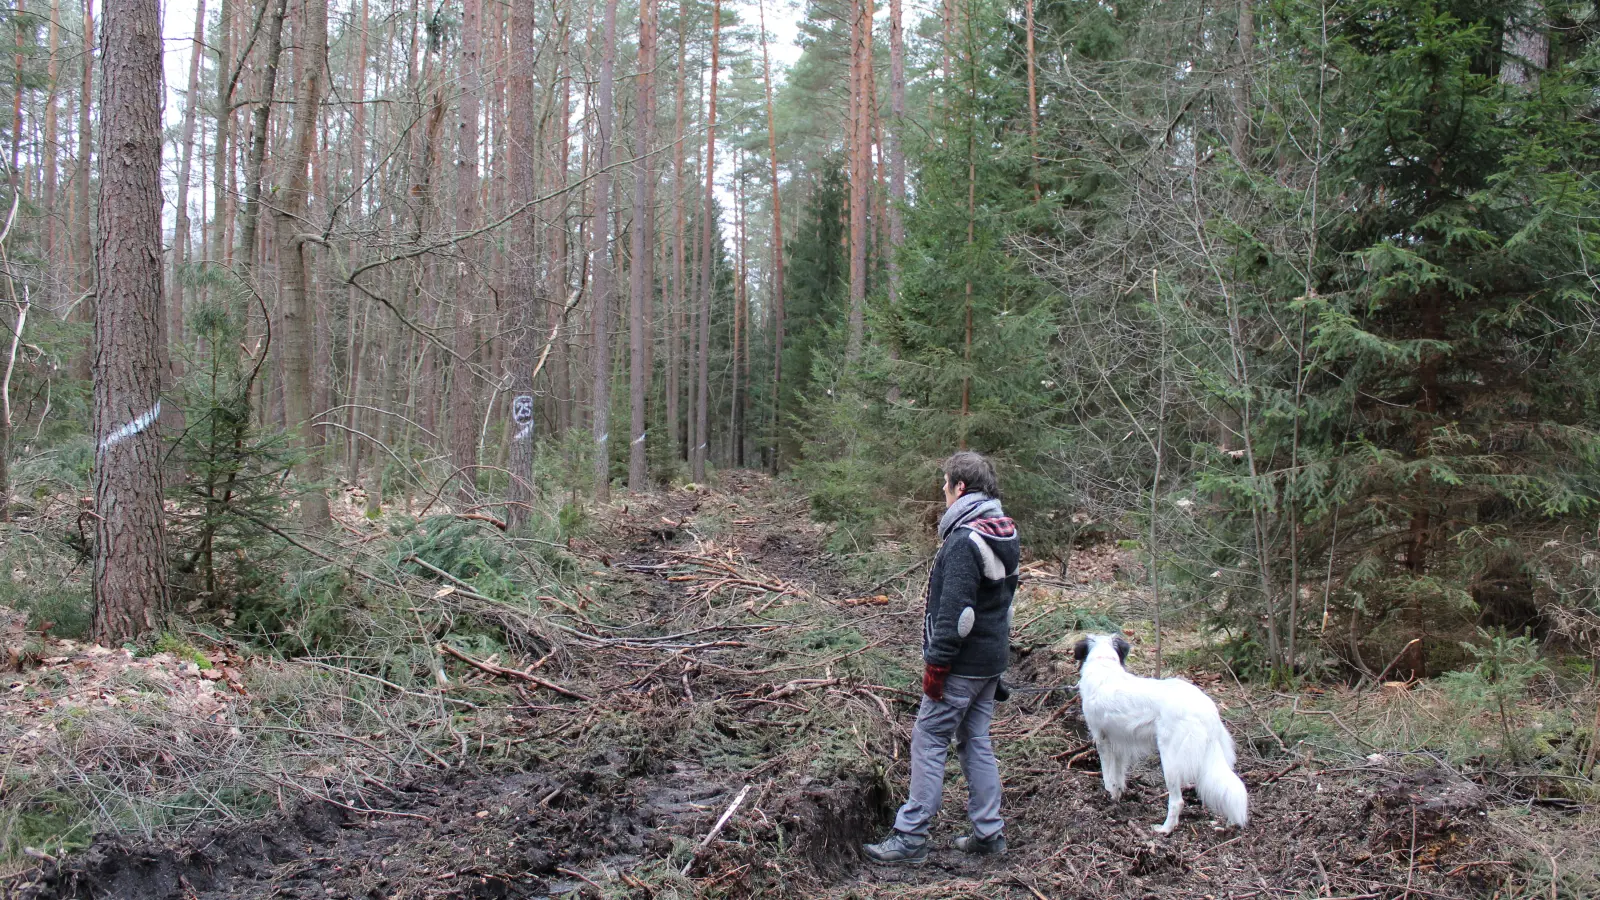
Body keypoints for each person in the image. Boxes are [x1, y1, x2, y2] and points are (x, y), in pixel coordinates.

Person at [864, 451, 1020, 864]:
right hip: (989, 663)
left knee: (929, 739)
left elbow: (956, 614)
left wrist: (936, 666)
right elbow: (1002, 605)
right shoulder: (1004, 530)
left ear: (961, 488)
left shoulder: (964, 540)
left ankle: (910, 836)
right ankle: (989, 833)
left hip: (963, 666)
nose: (943, 492)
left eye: (946, 484)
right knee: (976, 742)